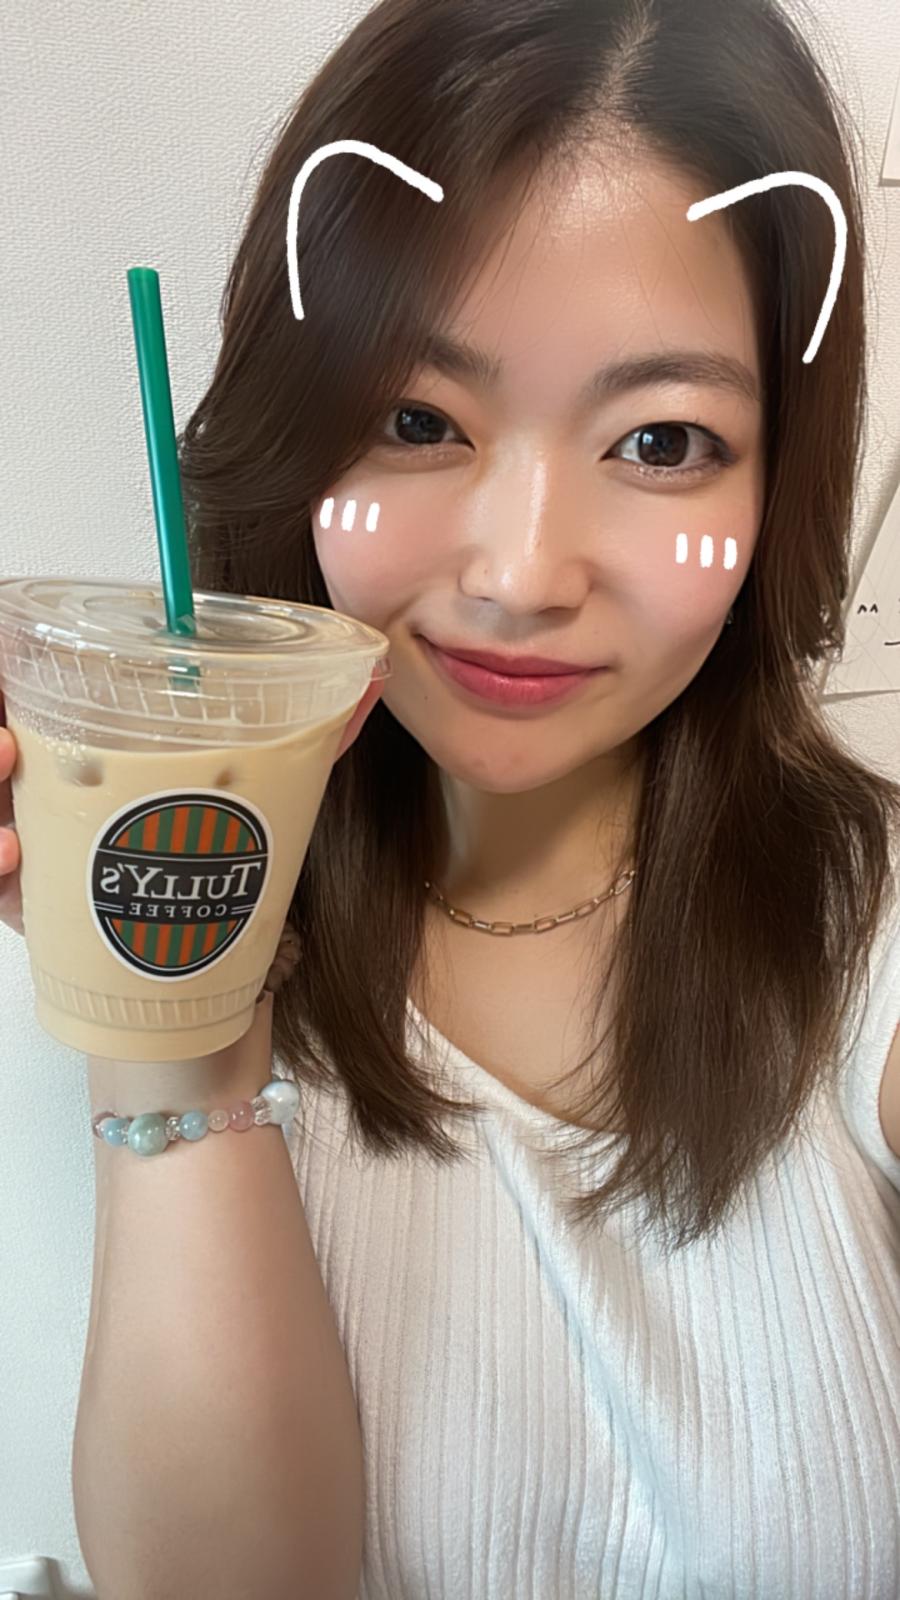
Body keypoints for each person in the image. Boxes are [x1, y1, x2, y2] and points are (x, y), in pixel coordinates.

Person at [3, 0, 900, 1595]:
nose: (522, 575)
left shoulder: (872, 938)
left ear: (782, 480)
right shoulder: (228, 912)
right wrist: (177, 1014)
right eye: (420, 421)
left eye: (664, 440)